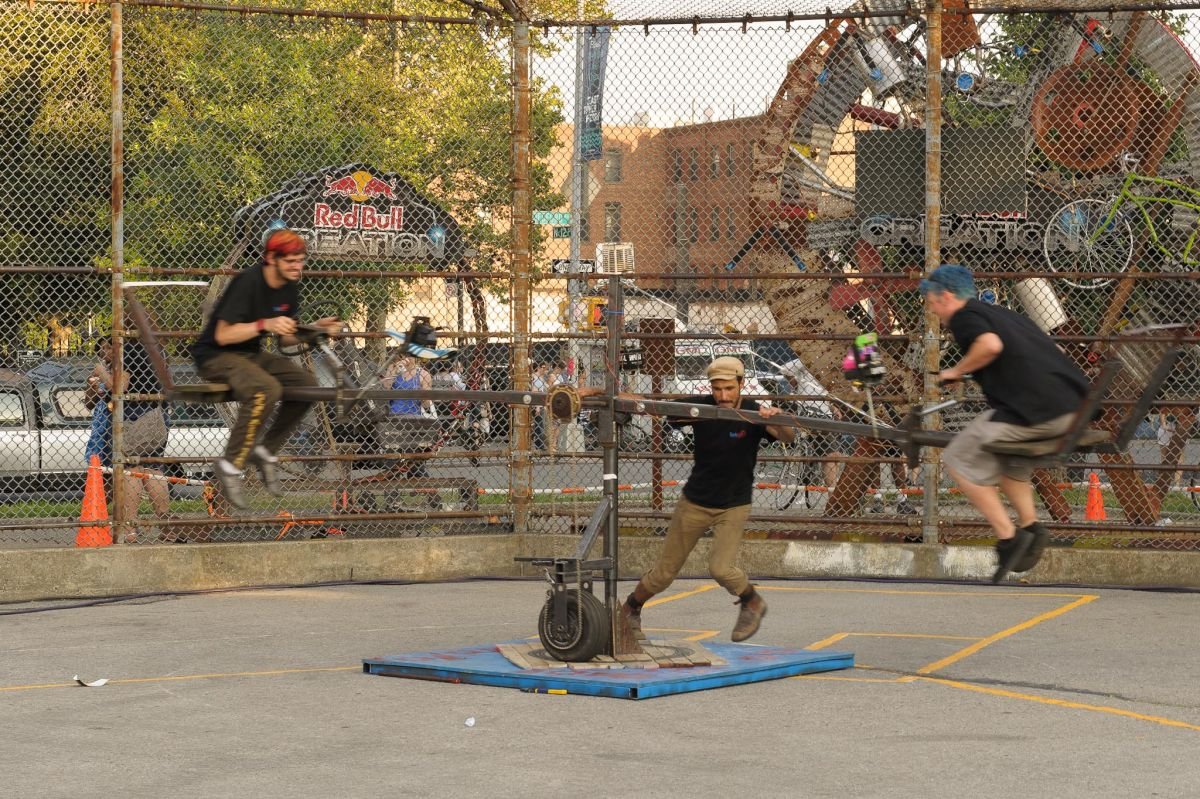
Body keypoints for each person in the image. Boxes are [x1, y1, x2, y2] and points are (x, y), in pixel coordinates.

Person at [588, 356, 795, 642]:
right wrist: (601, 393)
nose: (723, 396)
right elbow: (649, 405)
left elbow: (786, 435)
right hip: (695, 502)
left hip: (733, 505)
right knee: (663, 574)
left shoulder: (753, 412)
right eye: (717, 389)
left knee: (721, 569)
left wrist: (778, 417)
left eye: (729, 389)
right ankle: (631, 610)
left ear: (741, 385)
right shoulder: (699, 407)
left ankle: (752, 602)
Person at [922, 264, 1090, 583]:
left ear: (945, 296)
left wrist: (955, 371)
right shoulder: (1001, 313)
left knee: (956, 457)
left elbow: (990, 346)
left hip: (1040, 413)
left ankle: (1008, 537)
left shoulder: (964, 317)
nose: (931, 307)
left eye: (931, 300)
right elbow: (1049, 349)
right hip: (1070, 408)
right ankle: (1030, 526)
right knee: (1008, 457)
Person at [190, 228, 339, 509]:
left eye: (300, 260)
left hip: (249, 356)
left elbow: (286, 339)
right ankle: (230, 465)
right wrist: (264, 324)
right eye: (291, 261)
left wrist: (315, 329)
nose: (298, 267)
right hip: (216, 356)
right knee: (266, 388)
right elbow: (222, 335)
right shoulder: (248, 282)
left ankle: (265, 450)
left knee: (307, 384)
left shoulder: (288, 288)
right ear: (271, 258)